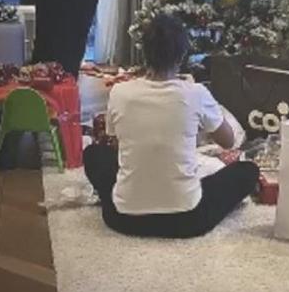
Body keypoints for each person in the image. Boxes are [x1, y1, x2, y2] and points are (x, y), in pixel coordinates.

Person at [83, 14, 260, 238]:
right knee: (248, 171)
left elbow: (119, 144)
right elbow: (228, 141)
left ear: (144, 52)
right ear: (182, 55)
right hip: (187, 220)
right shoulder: (196, 93)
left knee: (93, 153)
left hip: (123, 218)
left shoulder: (120, 92)